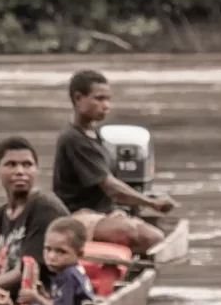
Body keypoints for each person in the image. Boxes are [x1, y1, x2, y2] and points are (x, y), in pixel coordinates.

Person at [52, 69, 174, 255]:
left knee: (154, 235)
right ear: (78, 98)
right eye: (99, 99)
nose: (106, 105)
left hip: (102, 213)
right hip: (78, 217)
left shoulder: (96, 135)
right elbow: (110, 186)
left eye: (108, 99)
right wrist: (151, 203)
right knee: (150, 238)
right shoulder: (73, 139)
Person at [0, 136, 70, 286]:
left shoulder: (45, 208)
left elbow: (28, 268)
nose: (20, 171)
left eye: (27, 165)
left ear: (36, 170)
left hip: (40, 298)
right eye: (11, 164)